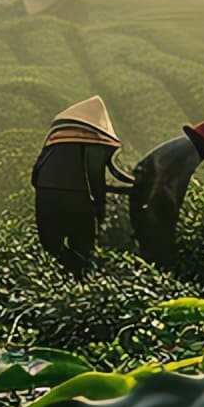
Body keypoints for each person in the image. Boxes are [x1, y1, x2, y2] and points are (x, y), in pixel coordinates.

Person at [29, 95, 127, 276]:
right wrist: (100, 206)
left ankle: (53, 280)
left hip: (45, 194)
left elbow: (36, 173)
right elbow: (95, 176)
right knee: (82, 247)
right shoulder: (95, 141)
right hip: (76, 196)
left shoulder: (55, 140)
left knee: (50, 247)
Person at [127, 118, 204, 271]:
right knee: (156, 245)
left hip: (143, 191)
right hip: (148, 193)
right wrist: (166, 213)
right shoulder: (192, 152)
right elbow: (170, 183)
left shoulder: (182, 145)